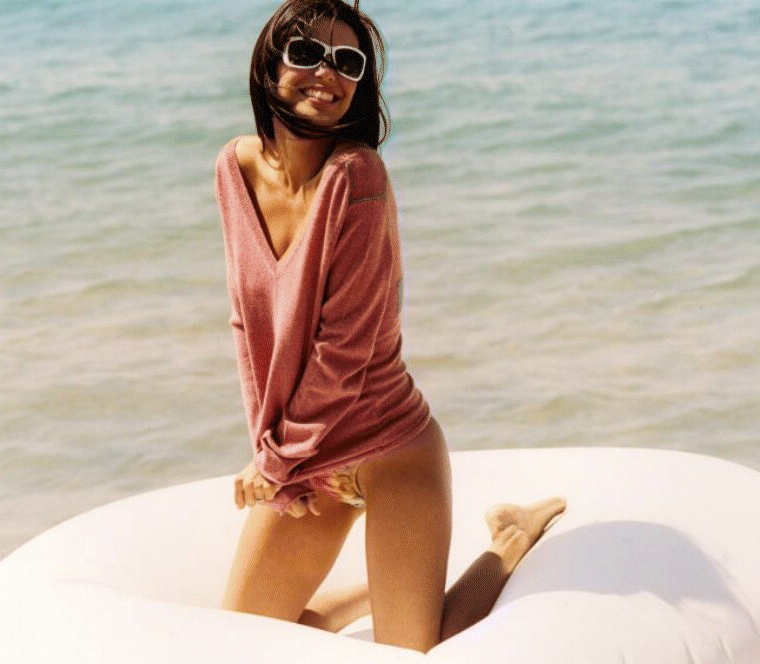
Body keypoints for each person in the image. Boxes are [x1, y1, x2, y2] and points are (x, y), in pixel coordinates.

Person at [214, 0, 565, 652]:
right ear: (269, 65)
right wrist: (271, 450)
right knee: (240, 639)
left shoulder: (358, 178)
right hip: (310, 451)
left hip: (390, 447)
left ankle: (511, 538)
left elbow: (342, 354)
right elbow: (248, 321)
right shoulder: (234, 168)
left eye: (348, 62)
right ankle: (382, 589)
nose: (327, 73)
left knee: (416, 651)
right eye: (307, 54)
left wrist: (276, 460)